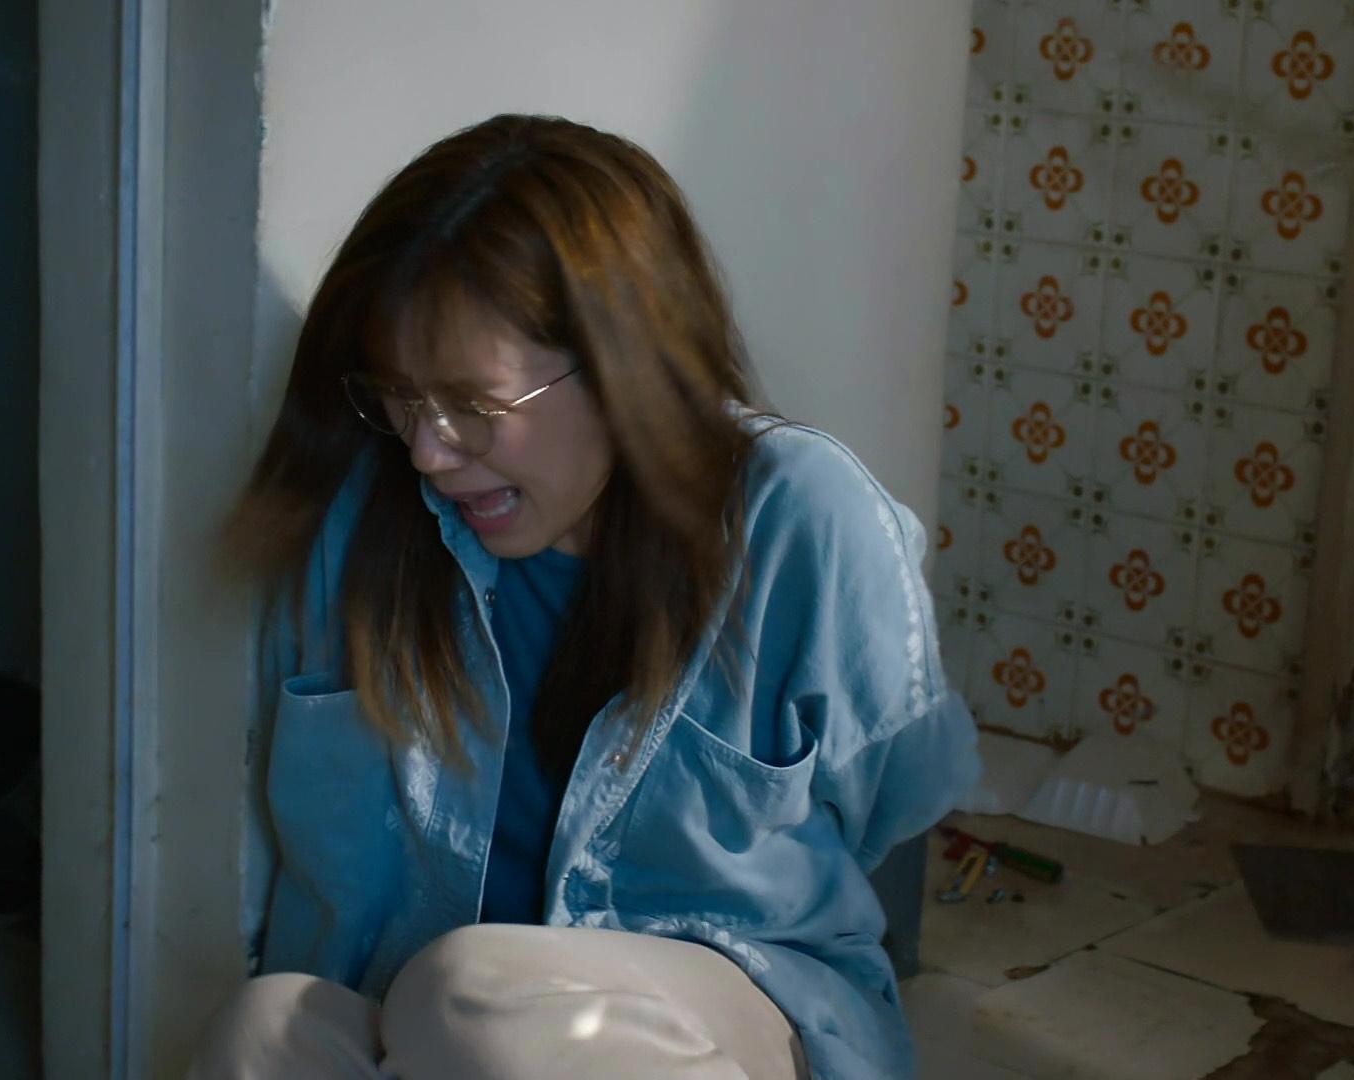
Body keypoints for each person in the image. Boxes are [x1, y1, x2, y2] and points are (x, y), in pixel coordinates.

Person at [191, 113, 980, 1080]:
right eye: (400, 398)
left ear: (620, 368)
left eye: (473, 405)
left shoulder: (801, 518)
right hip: (431, 1034)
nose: (428, 451)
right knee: (265, 1027)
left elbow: (902, 796)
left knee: (473, 997)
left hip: (722, 1007)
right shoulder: (365, 518)